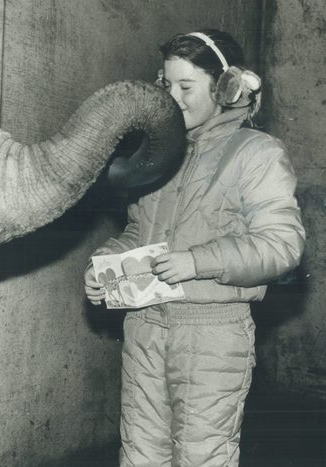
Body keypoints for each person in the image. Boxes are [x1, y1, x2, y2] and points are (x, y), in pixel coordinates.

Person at [84, 29, 305, 467]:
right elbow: (138, 232)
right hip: (145, 327)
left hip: (212, 334)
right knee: (140, 454)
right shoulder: (160, 153)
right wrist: (106, 265)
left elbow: (282, 245)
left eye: (187, 86)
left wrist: (198, 261)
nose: (174, 97)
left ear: (226, 87)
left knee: (202, 457)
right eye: (167, 85)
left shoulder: (256, 154)